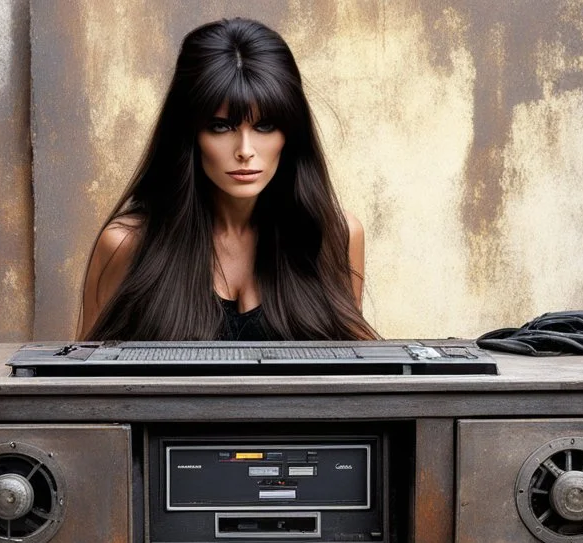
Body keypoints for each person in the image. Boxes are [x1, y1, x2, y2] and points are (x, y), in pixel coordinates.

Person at [77, 16, 377, 343]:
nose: (245, 150)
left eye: (265, 127)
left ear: (290, 134)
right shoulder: (126, 244)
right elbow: (80, 387)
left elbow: (353, 380)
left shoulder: (336, 236)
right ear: (189, 134)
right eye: (221, 126)